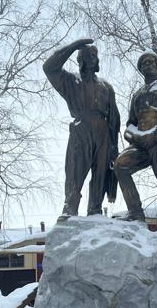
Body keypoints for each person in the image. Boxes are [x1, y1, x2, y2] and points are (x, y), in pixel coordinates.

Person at [43, 37, 121, 218]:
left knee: (101, 172)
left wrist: (114, 145)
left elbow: (114, 118)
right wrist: (73, 46)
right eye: (87, 56)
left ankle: (94, 209)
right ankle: (70, 207)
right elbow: (49, 68)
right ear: (80, 61)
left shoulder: (106, 87)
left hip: (103, 133)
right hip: (81, 129)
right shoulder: (71, 82)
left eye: (94, 56)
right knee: (75, 170)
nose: (91, 59)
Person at [113, 51, 157, 227]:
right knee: (120, 165)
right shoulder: (137, 95)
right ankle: (135, 212)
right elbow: (130, 124)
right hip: (142, 144)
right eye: (143, 63)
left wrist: (153, 135)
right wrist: (136, 137)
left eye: (151, 62)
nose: (147, 64)